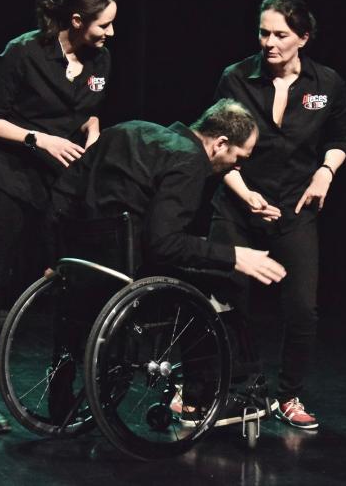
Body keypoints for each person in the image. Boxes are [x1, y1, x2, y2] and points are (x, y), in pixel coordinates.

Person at [51, 99, 287, 422]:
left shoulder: (126, 130)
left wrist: (56, 255)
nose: (237, 168)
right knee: (220, 282)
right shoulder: (189, 161)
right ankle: (205, 397)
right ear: (220, 144)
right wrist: (234, 256)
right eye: (239, 158)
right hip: (128, 270)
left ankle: (60, 399)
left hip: (83, 260)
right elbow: (163, 244)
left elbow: (64, 192)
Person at [0, 0, 117, 433]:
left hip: (57, 186)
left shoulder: (101, 59)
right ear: (77, 20)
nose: (110, 33)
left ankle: (61, 392)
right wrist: (40, 139)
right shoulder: (24, 51)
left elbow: (87, 109)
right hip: (5, 179)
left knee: (68, 284)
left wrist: (92, 130)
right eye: (104, 24)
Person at [209, 0, 346, 429]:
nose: (269, 43)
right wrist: (244, 194)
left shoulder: (326, 84)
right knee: (226, 300)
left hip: (294, 208)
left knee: (302, 308)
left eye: (280, 35)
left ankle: (288, 395)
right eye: (263, 33)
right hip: (238, 203)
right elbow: (216, 146)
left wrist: (325, 172)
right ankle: (225, 388)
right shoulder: (236, 78)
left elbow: (339, 140)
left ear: (303, 38)